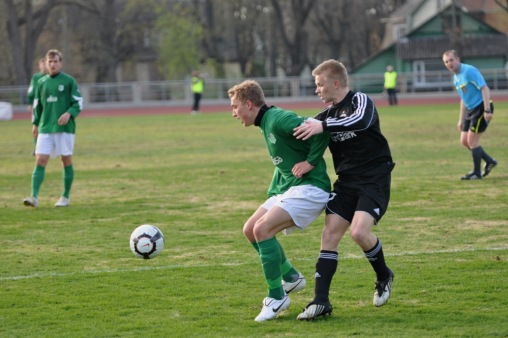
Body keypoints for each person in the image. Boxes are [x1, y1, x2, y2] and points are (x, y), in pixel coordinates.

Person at [293, 59, 395, 320]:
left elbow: (360, 121)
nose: (317, 89)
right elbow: (301, 130)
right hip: (346, 181)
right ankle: (320, 301)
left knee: (359, 232)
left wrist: (323, 126)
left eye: (320, 84)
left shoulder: (361, 100)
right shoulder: (325, 116)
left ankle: (384, 274)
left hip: (374, 178)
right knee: (329, 235)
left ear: (335, 83)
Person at [228, 80, 331, 322]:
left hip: (311, 189)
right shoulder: (266, 123)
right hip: (290, 189)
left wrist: (311, 162)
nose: (233, 113)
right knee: (250, 230)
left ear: (250, 104)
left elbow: (319, 129)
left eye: (235, 107)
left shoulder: (277, 119)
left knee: (262, 229)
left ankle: (277, 297)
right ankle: (292, 279)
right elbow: (284, 160)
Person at [23, 49, 83, 208]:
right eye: (50, 62)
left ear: (60, 63)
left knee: (66, 160)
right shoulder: (41, 82)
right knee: (40, 160)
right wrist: (35, 123)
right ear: (46, 63)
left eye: (55, 61)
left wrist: (69, 114)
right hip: (45, 127)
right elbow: (38, 106)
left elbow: (78, 103)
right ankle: (34, 197)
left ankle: (65, 197)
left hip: (64, 129)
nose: (52, 64)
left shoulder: (69, 81)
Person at [442, 50, 497, 180]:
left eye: (451, 60)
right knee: (464, 141)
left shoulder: (469, 71)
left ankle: (476, 173)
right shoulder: (456, 77)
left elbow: (484, 88)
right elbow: (463, 99)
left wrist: (487, 110)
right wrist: (460, 119)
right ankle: (489, 161)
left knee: (472, 141)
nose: (449, 63)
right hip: (470, 110)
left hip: (481, 107)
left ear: (457, 59)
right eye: (446, 61)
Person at [27, 57, 48, 155]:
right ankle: (36, 148)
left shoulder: (51, 77)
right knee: (36, 127)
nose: (44, 66)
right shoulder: (36, 78)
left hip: (49, 105)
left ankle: (50, 147)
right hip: (37, 106)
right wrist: (30, 103)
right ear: (39, 66)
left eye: (45, 64)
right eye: (42, 64)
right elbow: (31, 91)